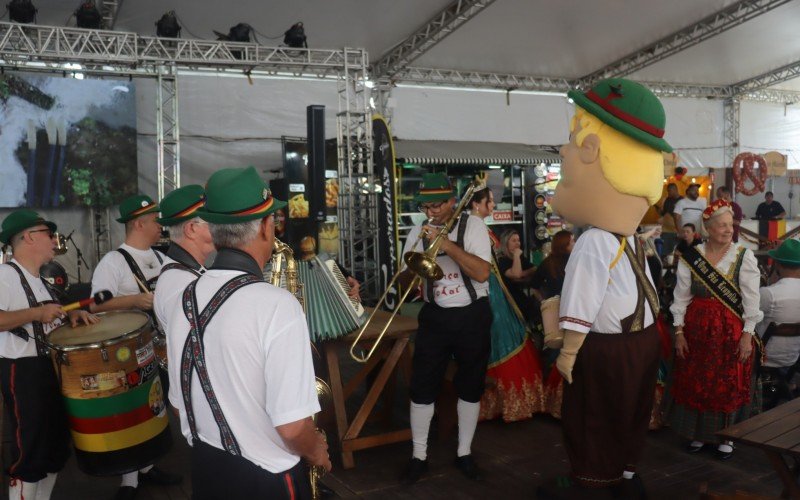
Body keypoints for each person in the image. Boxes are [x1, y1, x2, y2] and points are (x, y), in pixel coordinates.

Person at [539, 78, 668, 498]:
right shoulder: (629, 235)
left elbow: (582, 300)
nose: (564, 151)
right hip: (644, 341)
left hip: (609, 348)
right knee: (631, 411)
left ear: (594, 151)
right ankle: (626, 473)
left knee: (593, 416)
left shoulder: (596, 239)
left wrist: (569, 351)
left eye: (571, 142)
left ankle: (594, 480)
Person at [167, 166, 329, 498]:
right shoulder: (277, 305)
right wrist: (317, 452)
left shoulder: (184, 297)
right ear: (267, 227)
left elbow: (179, 405)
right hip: (267, 479)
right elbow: (293, 427)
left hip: (207, 465)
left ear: (212, 229)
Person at [399, 173, 492, 484]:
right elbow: (404, 281)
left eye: (437, 205)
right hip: (435, 315)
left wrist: (447, 246)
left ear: (453, 201)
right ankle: (419, 456)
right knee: (422, 385)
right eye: (425, 206)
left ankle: (464, 452)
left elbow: (481, 273)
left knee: (470, 384)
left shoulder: (473, 226)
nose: (430, 212)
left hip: (472, 315)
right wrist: (416, 260)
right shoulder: (418, 229)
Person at [0, 209, 97, 500]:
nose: (55, 241)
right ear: (29, 237)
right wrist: (38, 313)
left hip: (51, 368)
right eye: (48, 234)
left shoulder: (39, 279)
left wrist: (72, 315)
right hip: (24, 371)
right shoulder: (5, 274)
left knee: (54, 448)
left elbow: (49, 316)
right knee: (30, 449)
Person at [90, 194, 181, 500]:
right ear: (140, 222)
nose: (161, 226)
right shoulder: (114, 261)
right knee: (134, 411)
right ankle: (128, 481)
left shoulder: (160, 257)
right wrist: (135, 300)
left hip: (160, 346)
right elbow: (96, 304)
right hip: (128, 352)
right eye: (156, 220)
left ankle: (146, 467)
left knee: (157, 405)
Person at [670, 199, 763, 460]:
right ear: (707, 228)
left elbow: (751, 299)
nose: (727, 230)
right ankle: (699, 434)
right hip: (696, 333)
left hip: (730, 333)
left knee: (726, 382)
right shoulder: (691, 257)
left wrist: (747, 334)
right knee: (698, 380)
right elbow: (680, 297)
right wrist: (678, 332)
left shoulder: (743, 256)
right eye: (721, 226)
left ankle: (726, 437)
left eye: (730, 225)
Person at [477, 205, 545, 423]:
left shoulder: (482, 230)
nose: (493, 206)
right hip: (499, 301)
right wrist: (519, 259)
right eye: (489, 201)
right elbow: (517, 274)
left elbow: (527, 274)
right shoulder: (504, 258)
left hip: (509, 301)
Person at [153, 185, 215, 380]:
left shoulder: (188, 273)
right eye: (212, 219)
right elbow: (195, 359)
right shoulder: (179, 284)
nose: (220, 224)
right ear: (192, 229)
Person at [530, 230, 573, 419]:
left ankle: (552, 397)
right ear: (565, 244)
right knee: (568, 349)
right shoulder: (575, 261)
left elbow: (533, 287)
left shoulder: (548, 263)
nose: (574, 243)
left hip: (556, 312)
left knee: (556, 349)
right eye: (572, 241)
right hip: (572, 311)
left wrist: (546, 303)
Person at [756, 239, 800, 408]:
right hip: (793, 356)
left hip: (764, 357)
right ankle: (786, 385)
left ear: (778, 265)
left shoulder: (768, 294)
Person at [468, 186, 499, 250]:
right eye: (490, 201)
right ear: (476, 204)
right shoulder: (475, 227)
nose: (494, 205)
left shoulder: (478, 225)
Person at [659, 183, 683, 255]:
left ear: (675, 190)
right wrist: (660, 211)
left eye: (669, 191)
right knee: (665, 253)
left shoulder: (682, 200)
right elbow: (664, 213)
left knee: (675, 253)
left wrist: (679, 230)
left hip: (676, 231)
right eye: (668, 191)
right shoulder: (667, 199)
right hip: (665, 230)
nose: (668, 192)